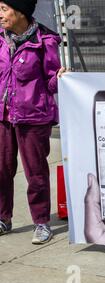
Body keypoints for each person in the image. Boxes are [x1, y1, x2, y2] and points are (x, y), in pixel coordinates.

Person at [0, 0, 66, 244]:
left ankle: (41, 223)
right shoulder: (0, 40)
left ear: (20, 12)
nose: (0, 15)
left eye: (4, 9)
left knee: (35, 174)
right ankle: (3, 219)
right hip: (3, 117)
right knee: (1, 170)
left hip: (33, 117)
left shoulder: (44, 42)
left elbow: (51, 83)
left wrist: (60, 78)